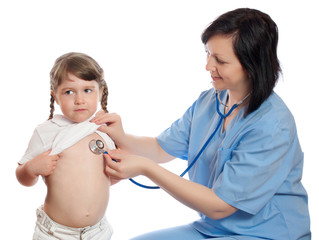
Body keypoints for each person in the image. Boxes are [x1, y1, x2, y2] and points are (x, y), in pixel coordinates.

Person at [91, 8, 311, 240]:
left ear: (252, 64)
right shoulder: (210, 100)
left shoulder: (272, 125)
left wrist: (146, 168)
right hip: (212, 229)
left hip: (266, 234)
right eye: (207, 54)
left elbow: (220, 206)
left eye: (220, 60)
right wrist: (121, 137)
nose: (208, 66)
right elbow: (160, 148)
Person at [16, 52, 114, 240]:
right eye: (69, 92)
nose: (79, 99)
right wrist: (32, 168)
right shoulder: (48, 131)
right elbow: (22, 177)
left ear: (100, 92)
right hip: (55, 233)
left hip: (97, 232)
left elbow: (113, 174)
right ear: (56, 97)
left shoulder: (104, 129)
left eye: (87, 90)